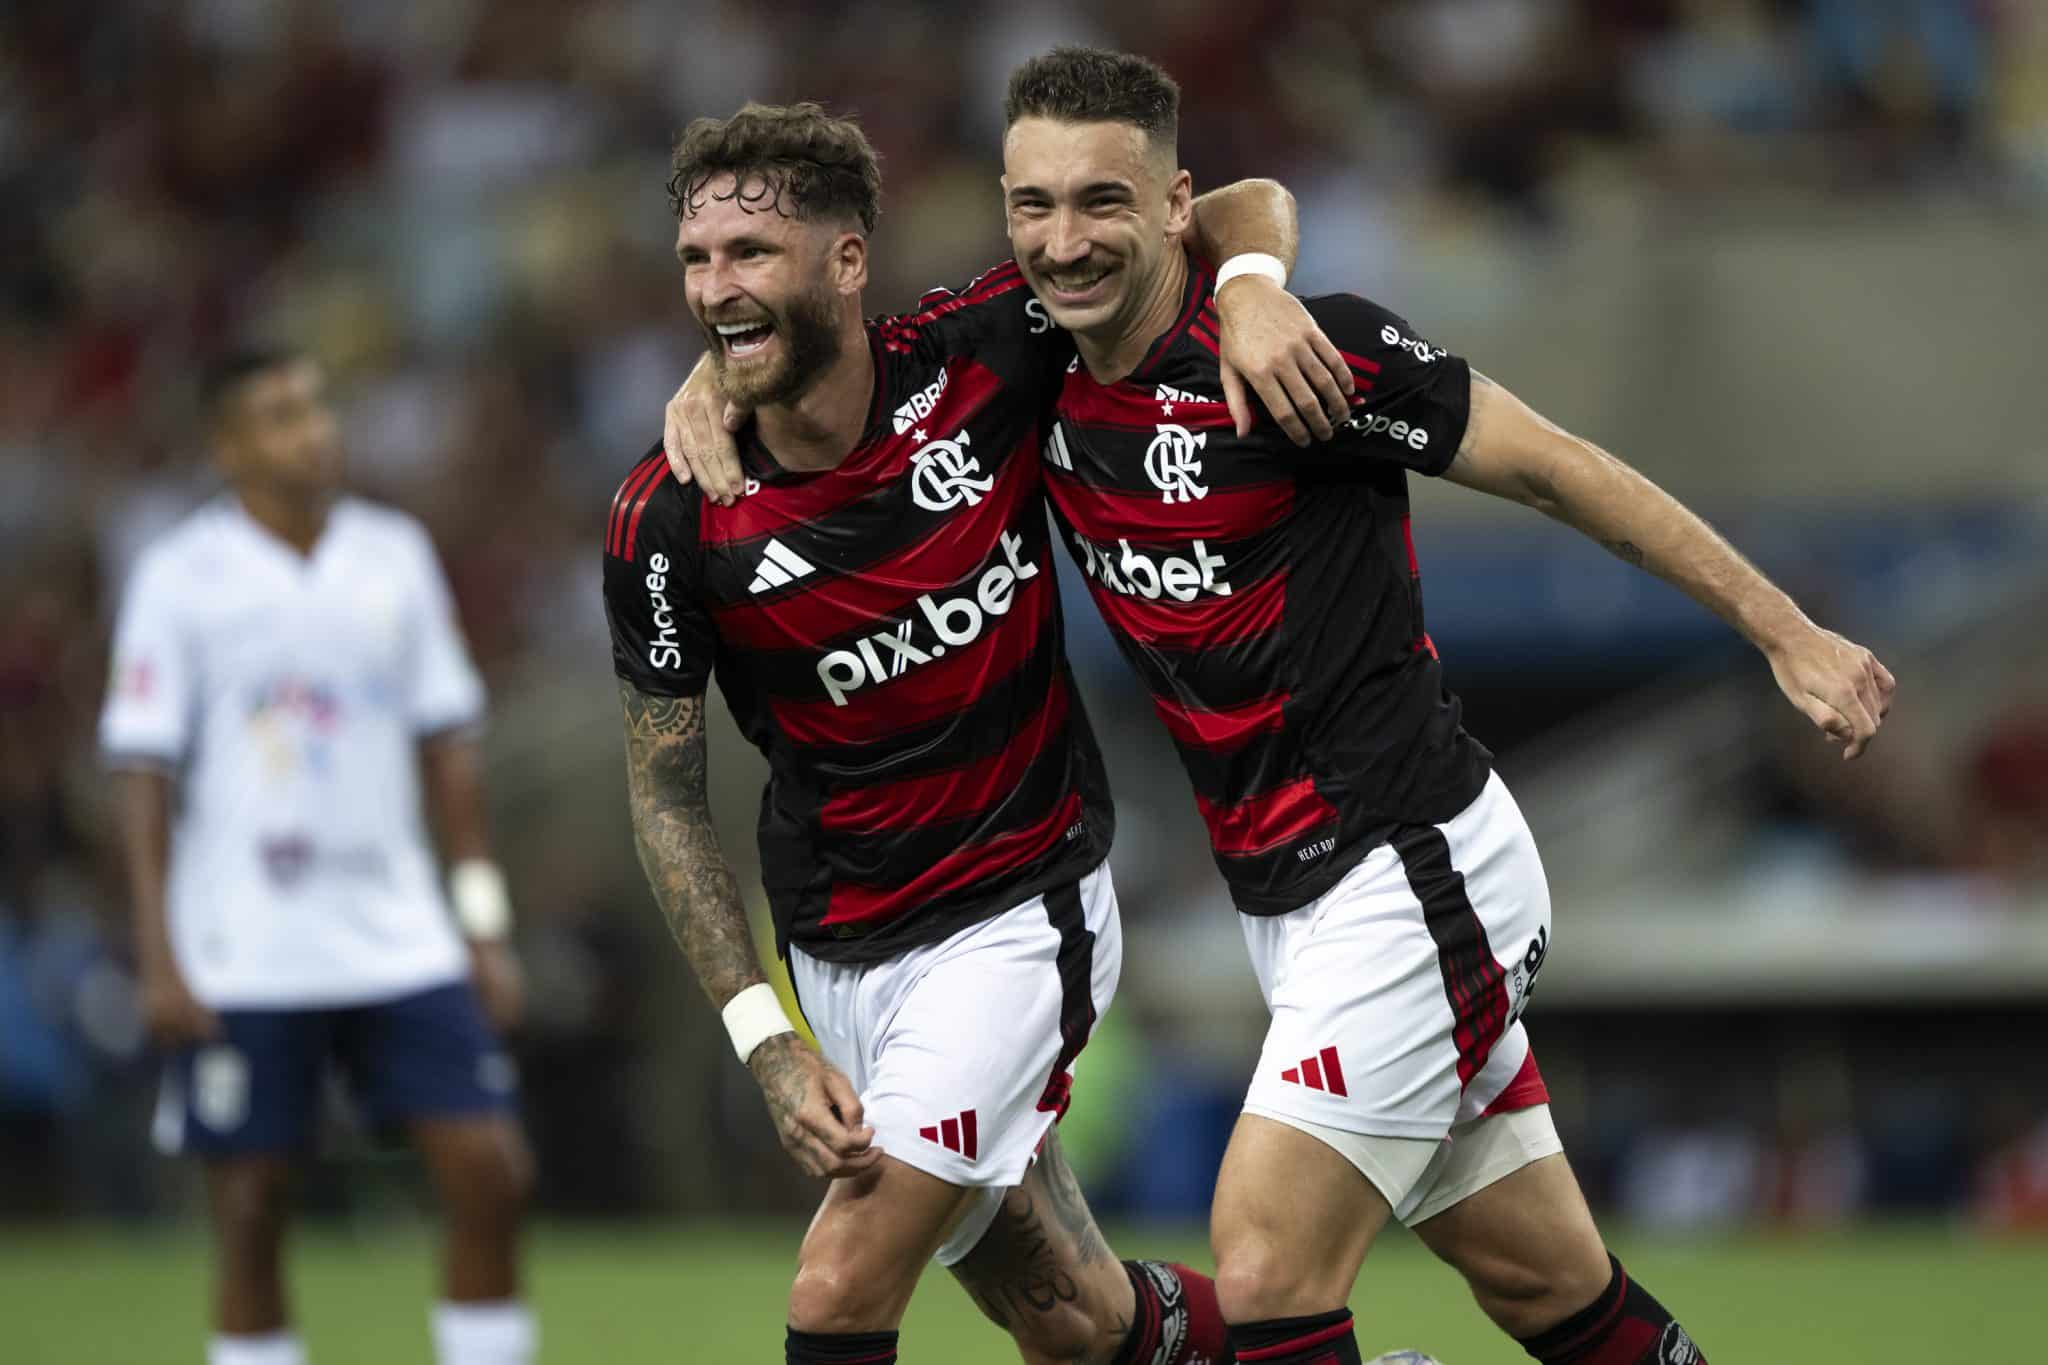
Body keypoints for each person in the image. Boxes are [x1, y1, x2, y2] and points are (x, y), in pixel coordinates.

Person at [669, 45, 1896, 1365]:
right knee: (1553, 1290)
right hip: (1290, 912)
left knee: (1261, 1260)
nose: (1063, 240)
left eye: (1101, 202)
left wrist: (1786, 630)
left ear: (1170, 207)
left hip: (1416, 865)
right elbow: (825, 355)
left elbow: (1556, 471)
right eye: (1034, 204)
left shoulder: (1303, 359)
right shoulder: (1025, 373)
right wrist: (723, 371)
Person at [604, 102, 1348, 1365]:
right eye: (696, 261)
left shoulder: (984, 353)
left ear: (845, 261)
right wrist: (765, 1037)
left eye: (751, 257)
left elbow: (1233, 201)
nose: (716, 288)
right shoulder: (667, 518)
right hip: (839, 953)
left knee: (841, 1282)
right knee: (1068, 1313)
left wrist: (1259, 286)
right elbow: (667, 797)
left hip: (1017, 913)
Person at [102, 349, 535, 1365]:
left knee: (489, 1171)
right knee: (250, 1208)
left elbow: (448, 747)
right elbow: (142, 773)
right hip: (245, 939)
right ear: (228, 446)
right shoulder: (179, 576)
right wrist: (157, 955)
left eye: (317, 408)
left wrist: (480, 921)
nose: (314, 431)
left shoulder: (394, 554)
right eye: (282, 414)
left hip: (397, 928)